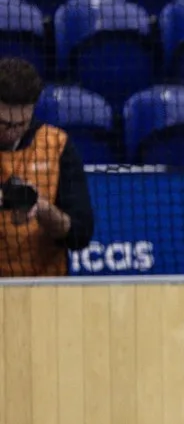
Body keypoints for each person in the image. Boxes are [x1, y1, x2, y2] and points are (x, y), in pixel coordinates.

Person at [0, 56, 94, 277]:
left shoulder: (56, 145)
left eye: (21, 124)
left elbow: (80, 235)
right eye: (3, 124)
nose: (12, 132)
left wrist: (42, 209)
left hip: (45, 288)